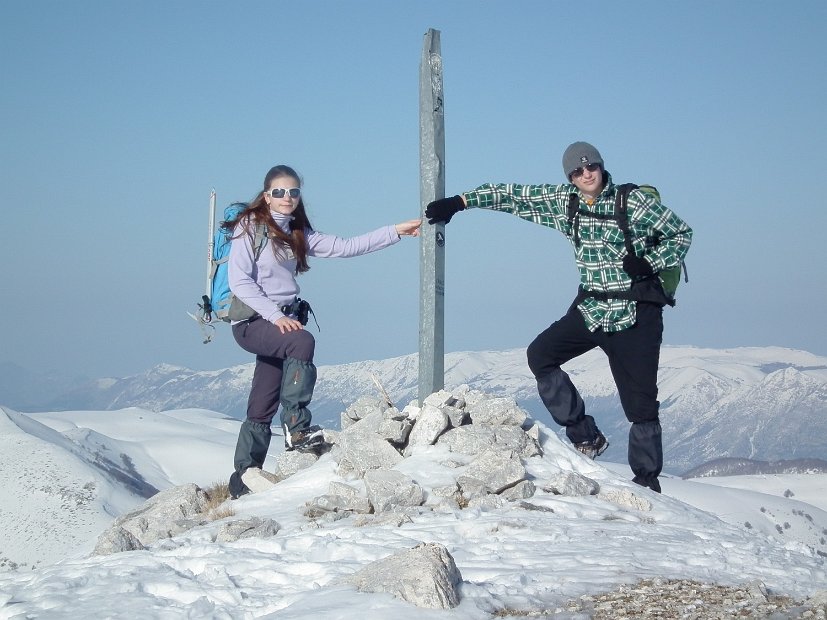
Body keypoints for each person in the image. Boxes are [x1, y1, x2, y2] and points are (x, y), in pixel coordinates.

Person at [424, 142, 692, 493]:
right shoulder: (567, 203)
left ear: (601, 165)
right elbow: (513, 196)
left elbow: (681, 233)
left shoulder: (633, 203)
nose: (586, 175)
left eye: (590, 166)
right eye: (577, 172)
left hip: (634, 314)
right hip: (592, 308)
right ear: (570, 177)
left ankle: (646, 484)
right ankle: (585, 435)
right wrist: (460, 203)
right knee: (541, 355)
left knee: (640, 407)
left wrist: (650, 262)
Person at [226, 164, 421, 497]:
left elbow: (346, 246)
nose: (287, 197)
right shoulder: (250, 226)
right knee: (301, 341)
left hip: (278, 322)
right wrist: (275, 316)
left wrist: (396, 231)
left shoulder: (297, 232)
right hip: (252, 322)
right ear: (266, 195)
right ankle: (297, 429)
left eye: (293, 192)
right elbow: (239, 281)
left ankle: (242, 477)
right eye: (279, 192)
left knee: (263, 399)